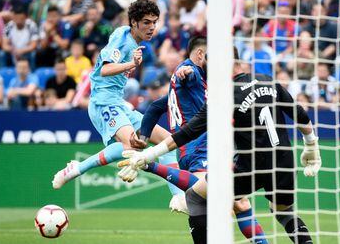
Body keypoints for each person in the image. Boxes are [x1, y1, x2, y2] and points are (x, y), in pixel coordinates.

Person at [118, 48, 322, 244]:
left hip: (251, 166)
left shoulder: (224, 95)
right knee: (283, 213)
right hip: (284, 163)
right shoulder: (268, 81)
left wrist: (149, 155)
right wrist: (311, 145)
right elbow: (300, 114)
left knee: (195, 196)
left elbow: (188, 133)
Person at [122, 40, 268, 244]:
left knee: (239, 203)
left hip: (190, 149)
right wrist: (187, 71)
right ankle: (152, 167)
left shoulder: (189, 86)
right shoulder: (192, 73)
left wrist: (144, 136)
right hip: (199, 147)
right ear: (201, 55)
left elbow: (155, 106)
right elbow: (188, 72)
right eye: (210, 57)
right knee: (218, 197)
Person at [51, 0, 186, 213]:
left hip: (119, 103)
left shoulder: (135, 41)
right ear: (133, 22)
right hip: (103, 102)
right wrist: (131, 64)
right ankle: (80, 168)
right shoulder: (121, 38)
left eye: (154, 22)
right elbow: (104, 69)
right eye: (146, 22)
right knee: (131, 145)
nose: (152, 27)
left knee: (167, 142)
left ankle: (179, 198)